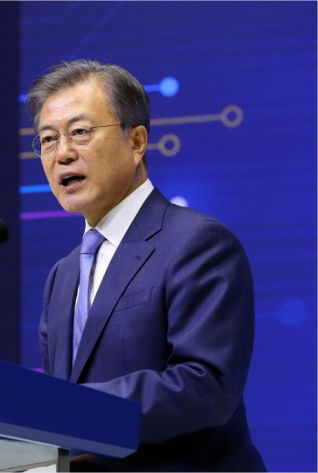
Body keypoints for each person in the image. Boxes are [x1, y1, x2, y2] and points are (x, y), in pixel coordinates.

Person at [27, 60, 265, 471]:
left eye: (80, 132)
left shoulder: (197, 243)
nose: (62, 153)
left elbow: (207, 385)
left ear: (136, 141)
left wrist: (71, 409)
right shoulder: (62, 276)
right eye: (48, 139)